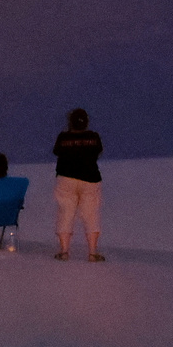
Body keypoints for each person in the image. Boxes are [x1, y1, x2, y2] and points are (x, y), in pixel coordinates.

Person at [53, 109, 104, 261]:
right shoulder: (93, 137)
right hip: (90, 178)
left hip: (66, 179)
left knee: (65, 213)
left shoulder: (63, 137)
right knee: (91, 214)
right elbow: (98, 152)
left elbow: (57, 152)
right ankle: (93, 252)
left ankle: (64, 251)